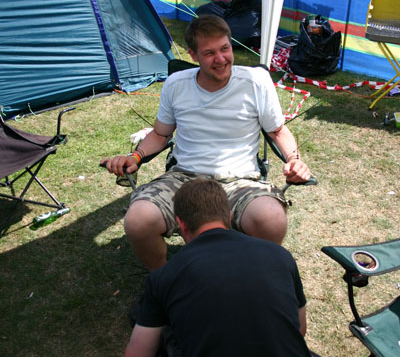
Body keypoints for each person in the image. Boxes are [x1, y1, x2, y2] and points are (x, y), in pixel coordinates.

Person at [122, 178, 335, 357]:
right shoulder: (279, 256)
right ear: (231, 216)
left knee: (173, 339)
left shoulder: (164, 276)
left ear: (180, 224)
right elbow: (300, 330)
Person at [101, 15, 311, 271]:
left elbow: (278, 131)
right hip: (184, 179)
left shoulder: (256, 82)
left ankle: (250, 280)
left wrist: (294, 161)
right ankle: (164, 280)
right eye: (209, 53)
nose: (221, 59)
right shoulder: (176, 84)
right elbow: (160, 134)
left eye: (225, 48)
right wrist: (135, 157)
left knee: (272, 220)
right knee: (138, 221)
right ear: (193, 55)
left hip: (240, 181)